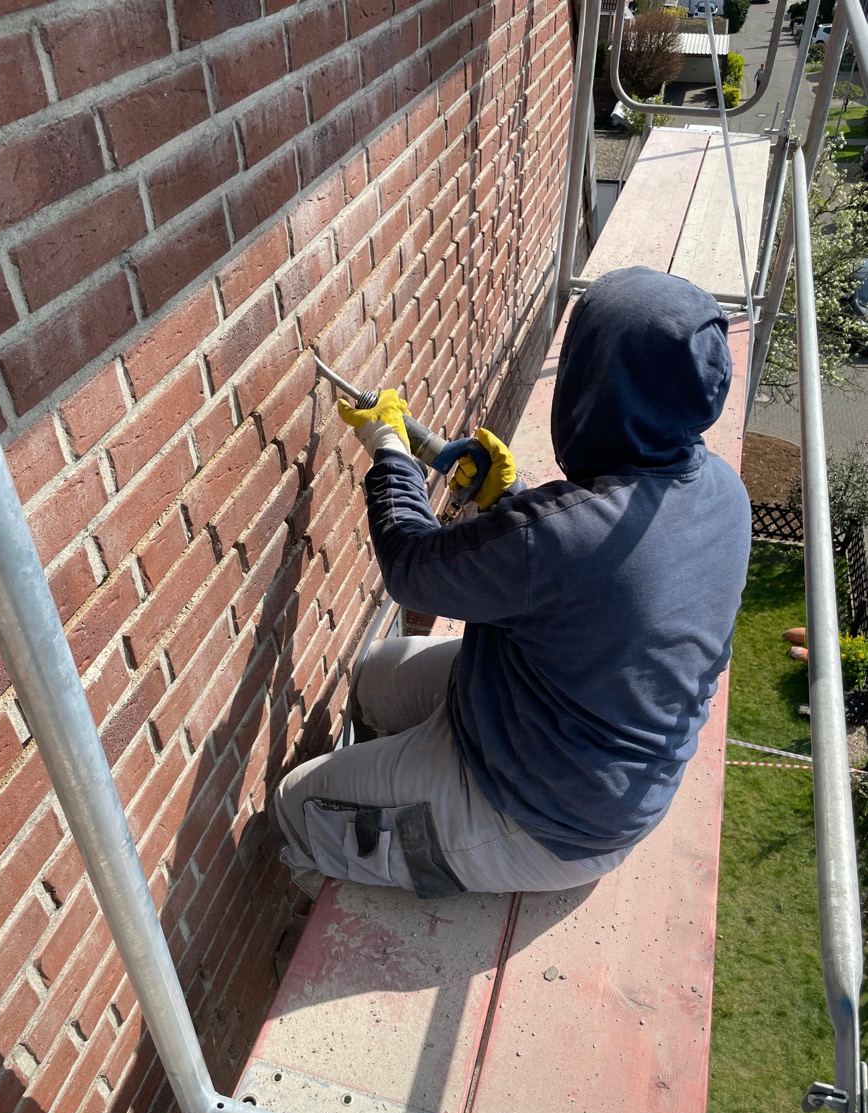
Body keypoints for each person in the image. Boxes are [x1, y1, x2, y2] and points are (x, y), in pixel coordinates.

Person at [273, 266, 752, 900]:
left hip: (544, 816)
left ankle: (338, 894)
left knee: (293, 803)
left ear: (595, 385)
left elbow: (411, 569)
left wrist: (391, 454)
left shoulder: (562, 536)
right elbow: (587, 569)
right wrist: (507, 500)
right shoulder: (724, 492)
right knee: (372, 678)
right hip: (545, 717)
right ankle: (392, 800)